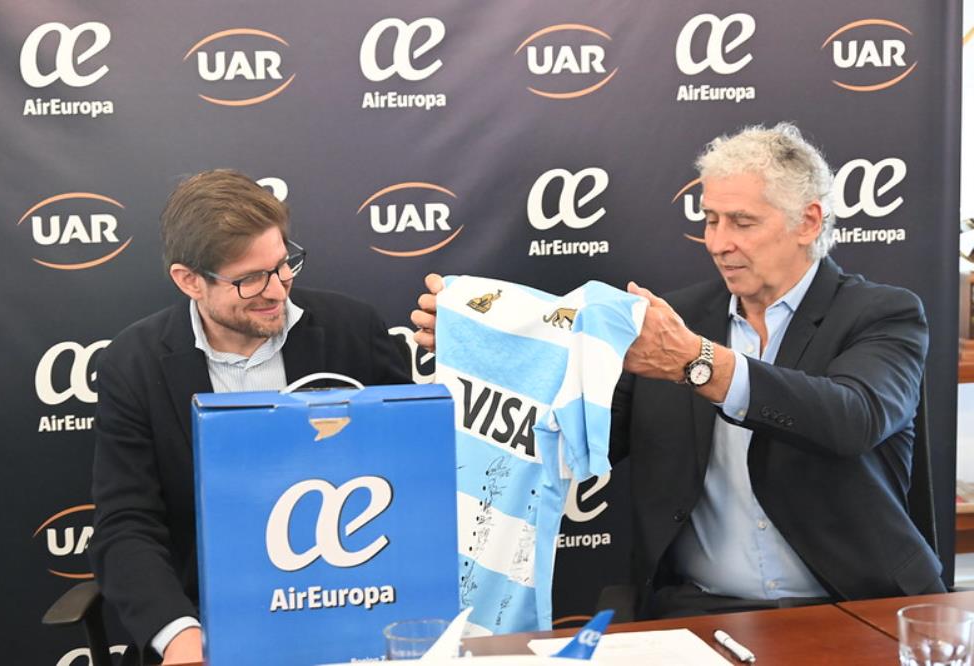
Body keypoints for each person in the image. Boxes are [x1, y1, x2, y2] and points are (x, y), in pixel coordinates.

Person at [412, 123, 944, 620]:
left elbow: (853, 418)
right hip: (694, 612)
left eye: (742, 222)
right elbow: (575, 434)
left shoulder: (882, 313)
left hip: (852, 609)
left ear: (807, 222)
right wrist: (487, 347)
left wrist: (698, 363)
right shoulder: (671, 322)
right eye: (711, 220)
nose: (718, 242)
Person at [89, 169, 410, 664]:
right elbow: (126, 523)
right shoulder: (134, 363)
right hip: (210, 621)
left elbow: (419, 472)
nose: (278, 290)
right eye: (250, 280)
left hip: (355, 606)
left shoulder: (355, 330)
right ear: (189, 281)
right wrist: (179, 634)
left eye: (283, 266)